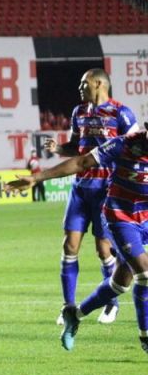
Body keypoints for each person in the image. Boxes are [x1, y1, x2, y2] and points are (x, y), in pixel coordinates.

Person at [7, 129, 148, 355]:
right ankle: (145, 337)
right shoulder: (123, 144)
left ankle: (75, 315)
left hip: (146, 217)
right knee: (144, 273)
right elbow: (81, 162)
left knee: (121, 282)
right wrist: (36, 178)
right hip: (121, 217)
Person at [42, 68, 139, 325]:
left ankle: (111, 303)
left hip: (107, 189)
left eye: (83, 83)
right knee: (69, 245)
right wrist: (59, 149)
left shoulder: (121, 113)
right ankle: (68, 306)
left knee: (103, 249)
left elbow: (136, 148)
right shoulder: (79, 113)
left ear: (98, 84)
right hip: (81, 188)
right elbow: (78, 148)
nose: (79, 88)